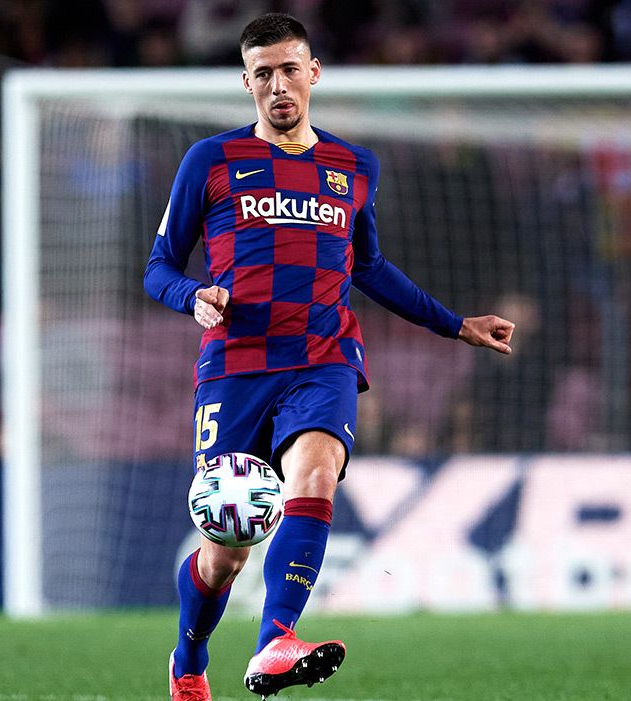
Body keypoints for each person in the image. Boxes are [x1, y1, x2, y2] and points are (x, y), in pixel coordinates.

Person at [143, 14, 516, 701]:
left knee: (314, 472)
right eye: (263, 73)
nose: (278, 85)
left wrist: (455, 324)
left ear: (313, 72)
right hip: (234, 365)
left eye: (290, 69)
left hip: (323, 359)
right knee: (224, 553)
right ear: (246, 82)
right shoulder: (210, 161)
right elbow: (158, 267)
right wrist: (192, 295)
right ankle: (189, 658)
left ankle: (275, 639)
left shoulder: (354, 167)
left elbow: (370, 268)